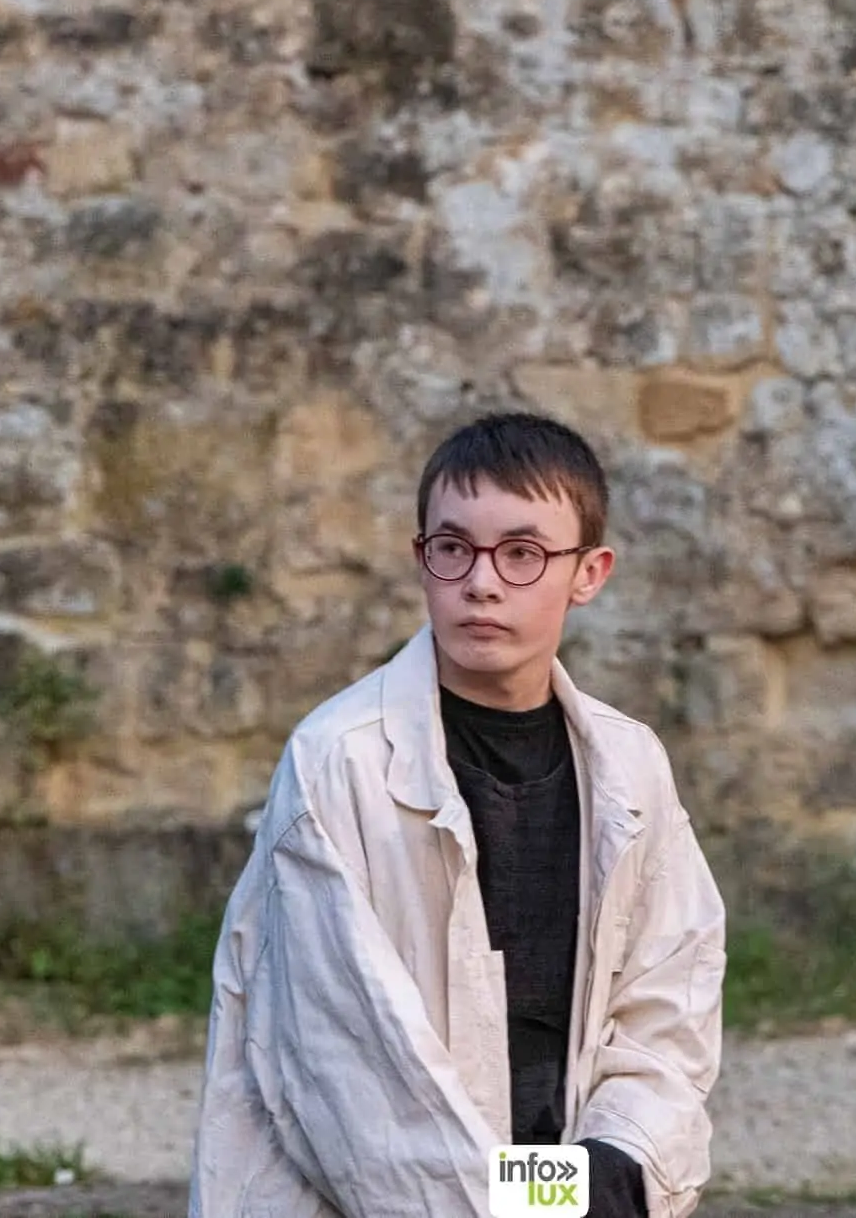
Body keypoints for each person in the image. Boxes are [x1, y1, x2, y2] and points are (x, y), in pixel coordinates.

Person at [193, 412, 725, 1217]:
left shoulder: (632, 766)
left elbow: (669, 1006)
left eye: (522, 553)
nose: (482, 581)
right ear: (422, 558)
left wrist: (607, 1172)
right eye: (453, 547)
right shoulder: (339, 762)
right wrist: (549, 1202)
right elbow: (357, 1088)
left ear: (589, 572)